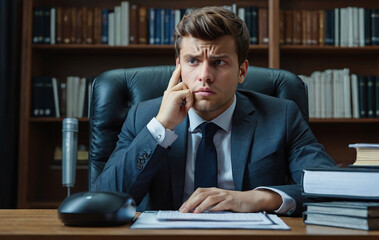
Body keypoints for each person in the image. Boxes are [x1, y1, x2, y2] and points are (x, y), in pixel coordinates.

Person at [93, 6, 335, 216]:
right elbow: (102, 201)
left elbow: (331, 188)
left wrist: (257, 198)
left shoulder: (281, 116)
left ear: (242, 71)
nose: (205, 76)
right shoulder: (143, 117)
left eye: (219, 62)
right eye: (193, 61)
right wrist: (160, 127)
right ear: (178, 67)